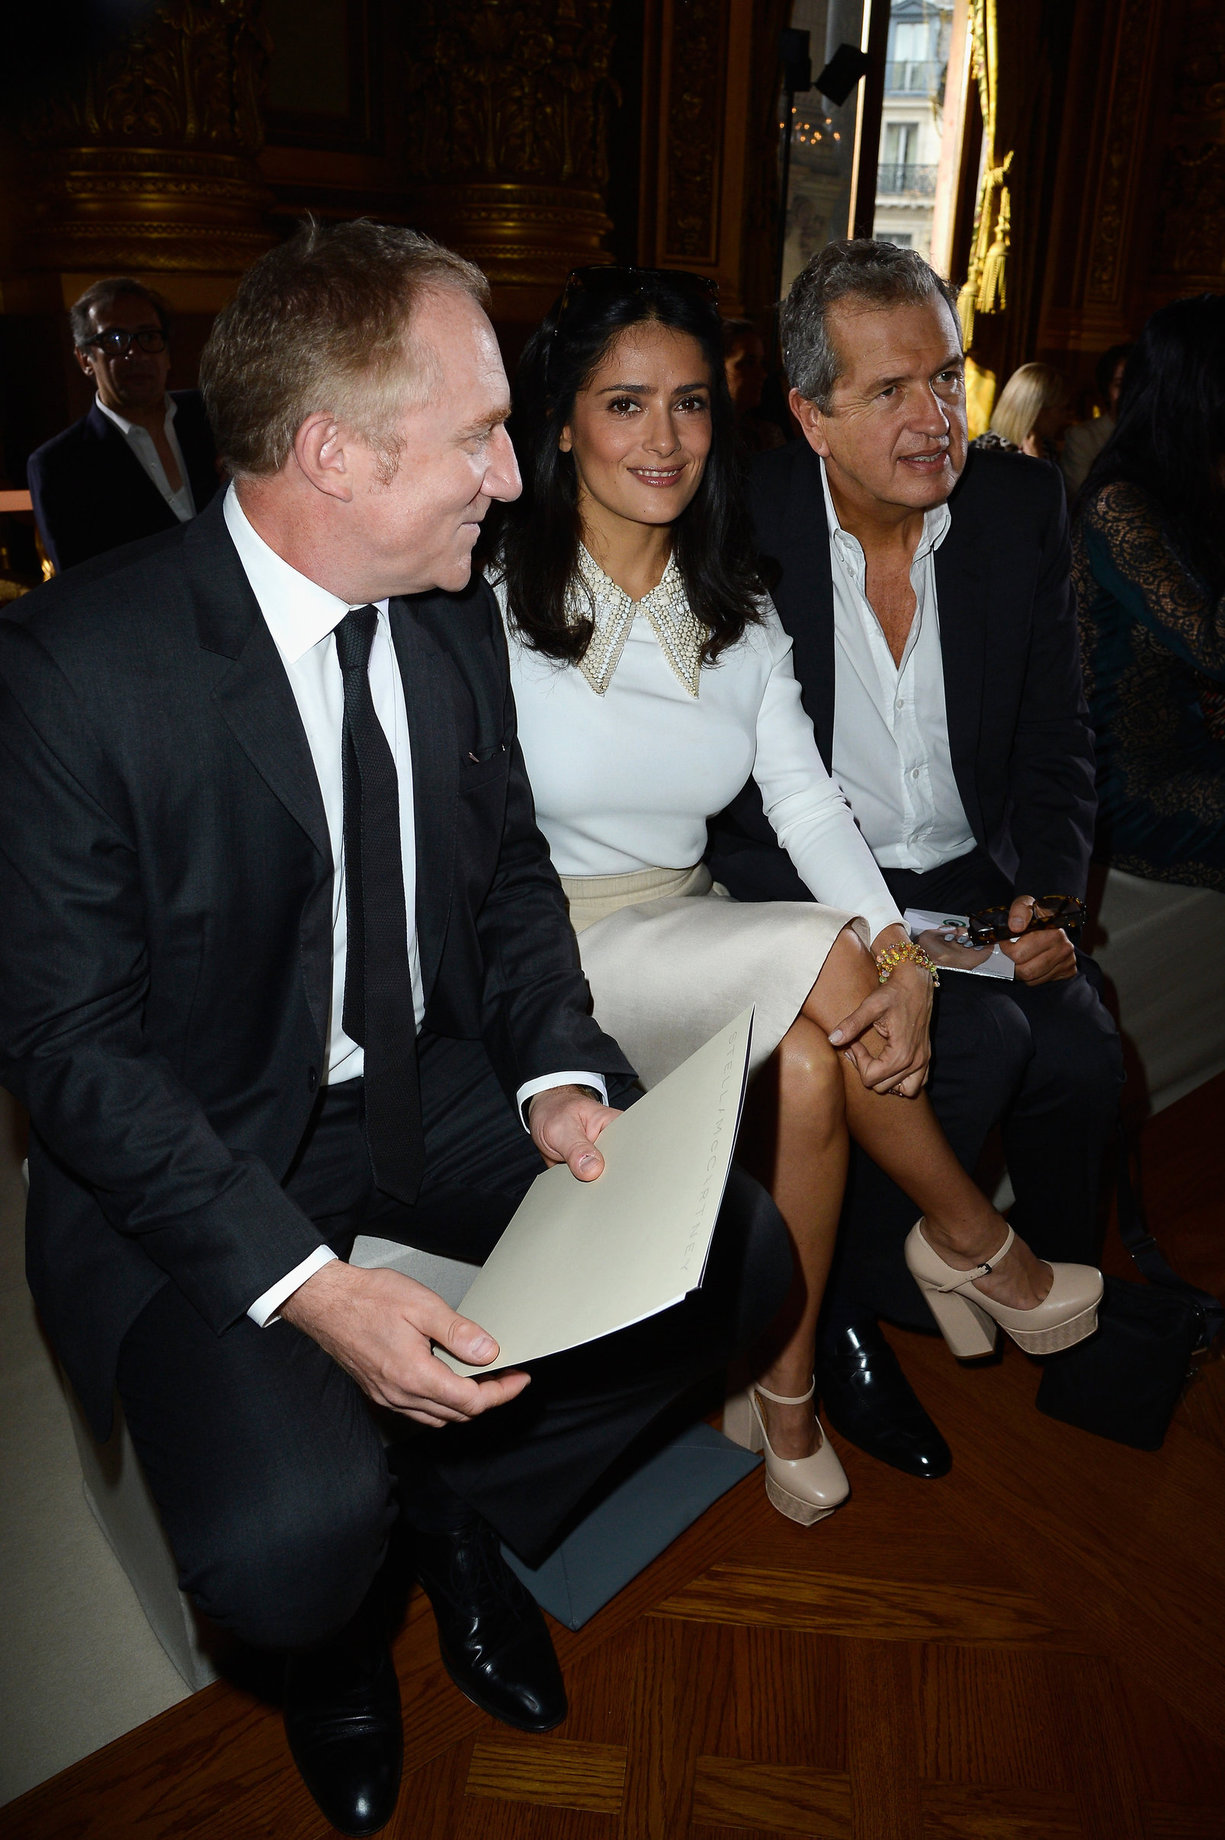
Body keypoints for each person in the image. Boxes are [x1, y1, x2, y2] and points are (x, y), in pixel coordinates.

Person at [0, 222, 795, 1840]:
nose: (516, 477)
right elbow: (72, 1054)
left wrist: (562, 1078)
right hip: (200, 1145)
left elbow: (505, 887)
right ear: (333, 456)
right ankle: (341, 1643)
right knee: (291, 1544)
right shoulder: (73, 671)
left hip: (426, 1089)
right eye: (481, 435)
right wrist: (307, 1290)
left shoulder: (446, 616)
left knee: (741, 1263)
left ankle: (452, 1516)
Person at [491, 262, 1102, 1528]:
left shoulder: (736, 595)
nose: (664, 439)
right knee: (846, 976)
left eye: (691, 406)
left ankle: (779, 1388)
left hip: (687, 911)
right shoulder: (490, 596)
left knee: (823, 1068)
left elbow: (807, 801)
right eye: (624, 406)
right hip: (552, 937)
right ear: (561, 421)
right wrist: (889, 960)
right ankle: (979, 1248)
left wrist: (895, 944)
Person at [708, 239, 1122, 1483]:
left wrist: (1048, 897)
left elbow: (1059, 741)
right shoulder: (744, 522)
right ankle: (836, 1315)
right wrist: (861, 933)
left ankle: (1059, 1314)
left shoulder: (1015, 505)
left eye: (945, 378)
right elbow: (731, 799)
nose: (934, 418)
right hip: (806, 885)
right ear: (809, 414)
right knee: (975, 1045)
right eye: (888, 391)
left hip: (973, 872)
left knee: (1087, 1047)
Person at [1072, 294, 1225, 890]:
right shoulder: (1119, 504)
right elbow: (1215, 649)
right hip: (1132, 784)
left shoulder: (1196, 492)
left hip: (1198, 749)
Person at [27, 278, 220, 573]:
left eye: (148, 337)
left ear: (167, 352)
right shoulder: (60, 466)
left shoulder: (216, 417)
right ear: (85, 360)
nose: (135, 354)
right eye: (114, 340)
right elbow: (81, 584)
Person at [1061, 343, 1132, 496]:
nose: (1129, 393)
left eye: (1134, 385)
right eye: (1119, 385)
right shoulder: (1082, 437)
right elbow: (1081, 495)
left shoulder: (1156, 436)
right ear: (1107, 389)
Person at [974, 361, 1072, 462]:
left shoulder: (1046, 446)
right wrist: (1036, 462)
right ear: (1039, 411)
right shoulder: (987, 451)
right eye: (1062, 408)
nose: (1065, 416)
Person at [722, 317, 786, 452]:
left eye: (760, 363)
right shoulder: (700, 436)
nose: (762, 374)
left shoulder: (767, 435)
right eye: (748, 363)